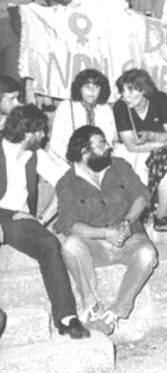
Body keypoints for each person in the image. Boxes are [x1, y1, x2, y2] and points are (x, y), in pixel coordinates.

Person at [57, 125, 158, 335]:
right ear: (84, 151)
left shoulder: (119, 166)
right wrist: (104, 233)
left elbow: (141, 197)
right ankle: (91, 306)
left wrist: (126, 223)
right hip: (95, 246)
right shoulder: (66, 183)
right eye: (101, 144)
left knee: (148, 254)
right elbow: (70, 224)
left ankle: (114, 313)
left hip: (129, 239)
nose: (108, 147)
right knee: (70, 246)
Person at [0, 104, 90, 338]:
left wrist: (41, 219)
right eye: (40, 131)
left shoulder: (36, 154)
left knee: (50, 244)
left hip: (19, 218)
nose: (44, 136)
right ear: (27, 133)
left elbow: (65, 183)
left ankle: (66, 317)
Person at [112, 69, 167, 251]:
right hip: (136, 154)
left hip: (160, 153)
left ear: (144, 90)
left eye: (131, 90)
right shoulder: (120, 107)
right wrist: (162, 143)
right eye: (122, 91)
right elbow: (131, 146)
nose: (125, 95)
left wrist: (151, 135)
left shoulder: (160, 99)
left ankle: (163, 216)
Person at [49, 70, 118, 167]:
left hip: (98, 161)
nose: (92, 91)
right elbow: (56, 144)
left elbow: (109, 141)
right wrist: (77, 162)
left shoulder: (106, 110)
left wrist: (96, 160)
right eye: (87, 86)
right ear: (79, 88)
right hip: (66, 161)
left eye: (96, 86)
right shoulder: (65, 107)